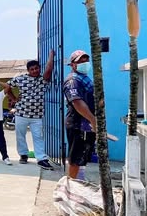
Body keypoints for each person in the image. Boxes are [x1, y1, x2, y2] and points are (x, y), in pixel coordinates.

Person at [7, 50, 55, 169]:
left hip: (37, 116)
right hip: (21, 114)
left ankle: (41, 159)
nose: (34, 71)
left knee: (38, 137)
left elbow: (49, 69)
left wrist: (51, 55)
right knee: (20, 136)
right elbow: (7, 86)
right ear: (28, 70)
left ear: (39, 68)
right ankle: (23, 155)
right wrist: (13, 98)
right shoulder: (20, 79)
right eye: (32, 69)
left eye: (36, 68)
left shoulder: (42, 79)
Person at [63, 50, 96, 180]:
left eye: (86, 60)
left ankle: (79, 181)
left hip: (87, 124)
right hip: (79, 124)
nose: (85, 63)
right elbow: (77, 102)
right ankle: (71, 185)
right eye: (81, 61)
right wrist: (93, 120)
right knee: (75, 159)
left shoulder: (84, 78)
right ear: (72, 64)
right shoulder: (72, 80)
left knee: (83, 157)